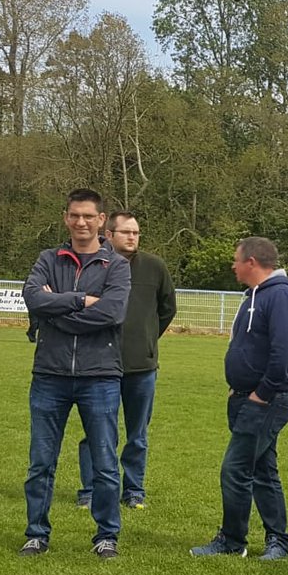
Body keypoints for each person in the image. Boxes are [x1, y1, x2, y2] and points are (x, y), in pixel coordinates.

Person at [20, 188, 131, 559]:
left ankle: (107, 535)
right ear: (65, 218)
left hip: (100, 375)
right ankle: (36, 534)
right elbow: (33, 298)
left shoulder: (117, 265)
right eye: (74, 215)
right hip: (49, 375)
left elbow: (112, 313)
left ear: (101, 220)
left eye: (88, 216)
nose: (80, 222)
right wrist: (80, 300)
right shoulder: (48, 258)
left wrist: (55, 314)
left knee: (104, 462)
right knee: (41, 462)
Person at [190, 237, 288, 560]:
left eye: (236, 260)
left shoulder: (280, 296)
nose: (233, 266)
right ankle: (278, 539)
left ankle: (232, 541)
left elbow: (284, 353)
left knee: (235, 468)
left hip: (268, 399)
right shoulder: (254, 296)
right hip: (247, 397)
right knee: (262, 470)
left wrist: (260, 395)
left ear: (251, 262)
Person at [76, 211, 177, 510]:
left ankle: (133, 491)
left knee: (137, 435)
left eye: (136, 232)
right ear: (109, 234)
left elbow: (167, 309)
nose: (132, 237)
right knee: (96, 432)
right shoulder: (94, 265)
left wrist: (146, 338)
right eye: (126, 232)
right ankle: (90, 490)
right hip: (99, 364)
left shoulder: (154, 267)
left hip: (142, 367)